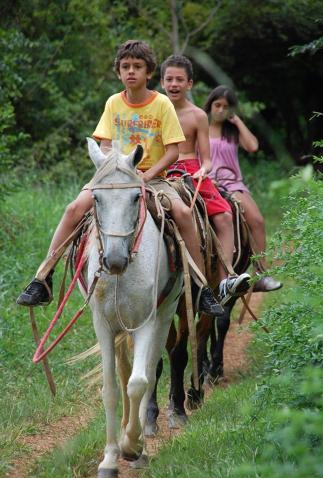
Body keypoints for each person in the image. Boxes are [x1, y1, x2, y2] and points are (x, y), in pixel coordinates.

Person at [17, 40, 223, 316]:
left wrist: (146, 174)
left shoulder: (162, 104)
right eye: (125, 67)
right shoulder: (114, 103)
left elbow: (173, 151)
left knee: (184, 213)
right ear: (118, 72)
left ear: (149, 73)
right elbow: (104, 144)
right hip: (114, 178)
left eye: (138, 67)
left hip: (154, 178)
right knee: (74, 209)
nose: (131, 72)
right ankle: (43, 277)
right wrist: (112, 165)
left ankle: (199, 287)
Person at [160, 55, 251, 306]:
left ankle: (225, 279)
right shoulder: (154, 110)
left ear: (190, 83)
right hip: (160, 170)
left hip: (191, 170)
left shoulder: (198, 115)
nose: (174, 84)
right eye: (169, 79)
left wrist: (204, 170)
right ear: (161, 82)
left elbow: (207, 158)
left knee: (224, 216)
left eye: (180, 79)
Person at [204, 85, 282, 292]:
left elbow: (253, 146)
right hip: (206, 182)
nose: (220, 110)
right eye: (217, 105)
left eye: (226, 107)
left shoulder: (233, 131)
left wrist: (237, 121)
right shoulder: (200, 127)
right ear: (210, 105)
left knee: (256, 220)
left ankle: (260, 274)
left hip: (232, 184)